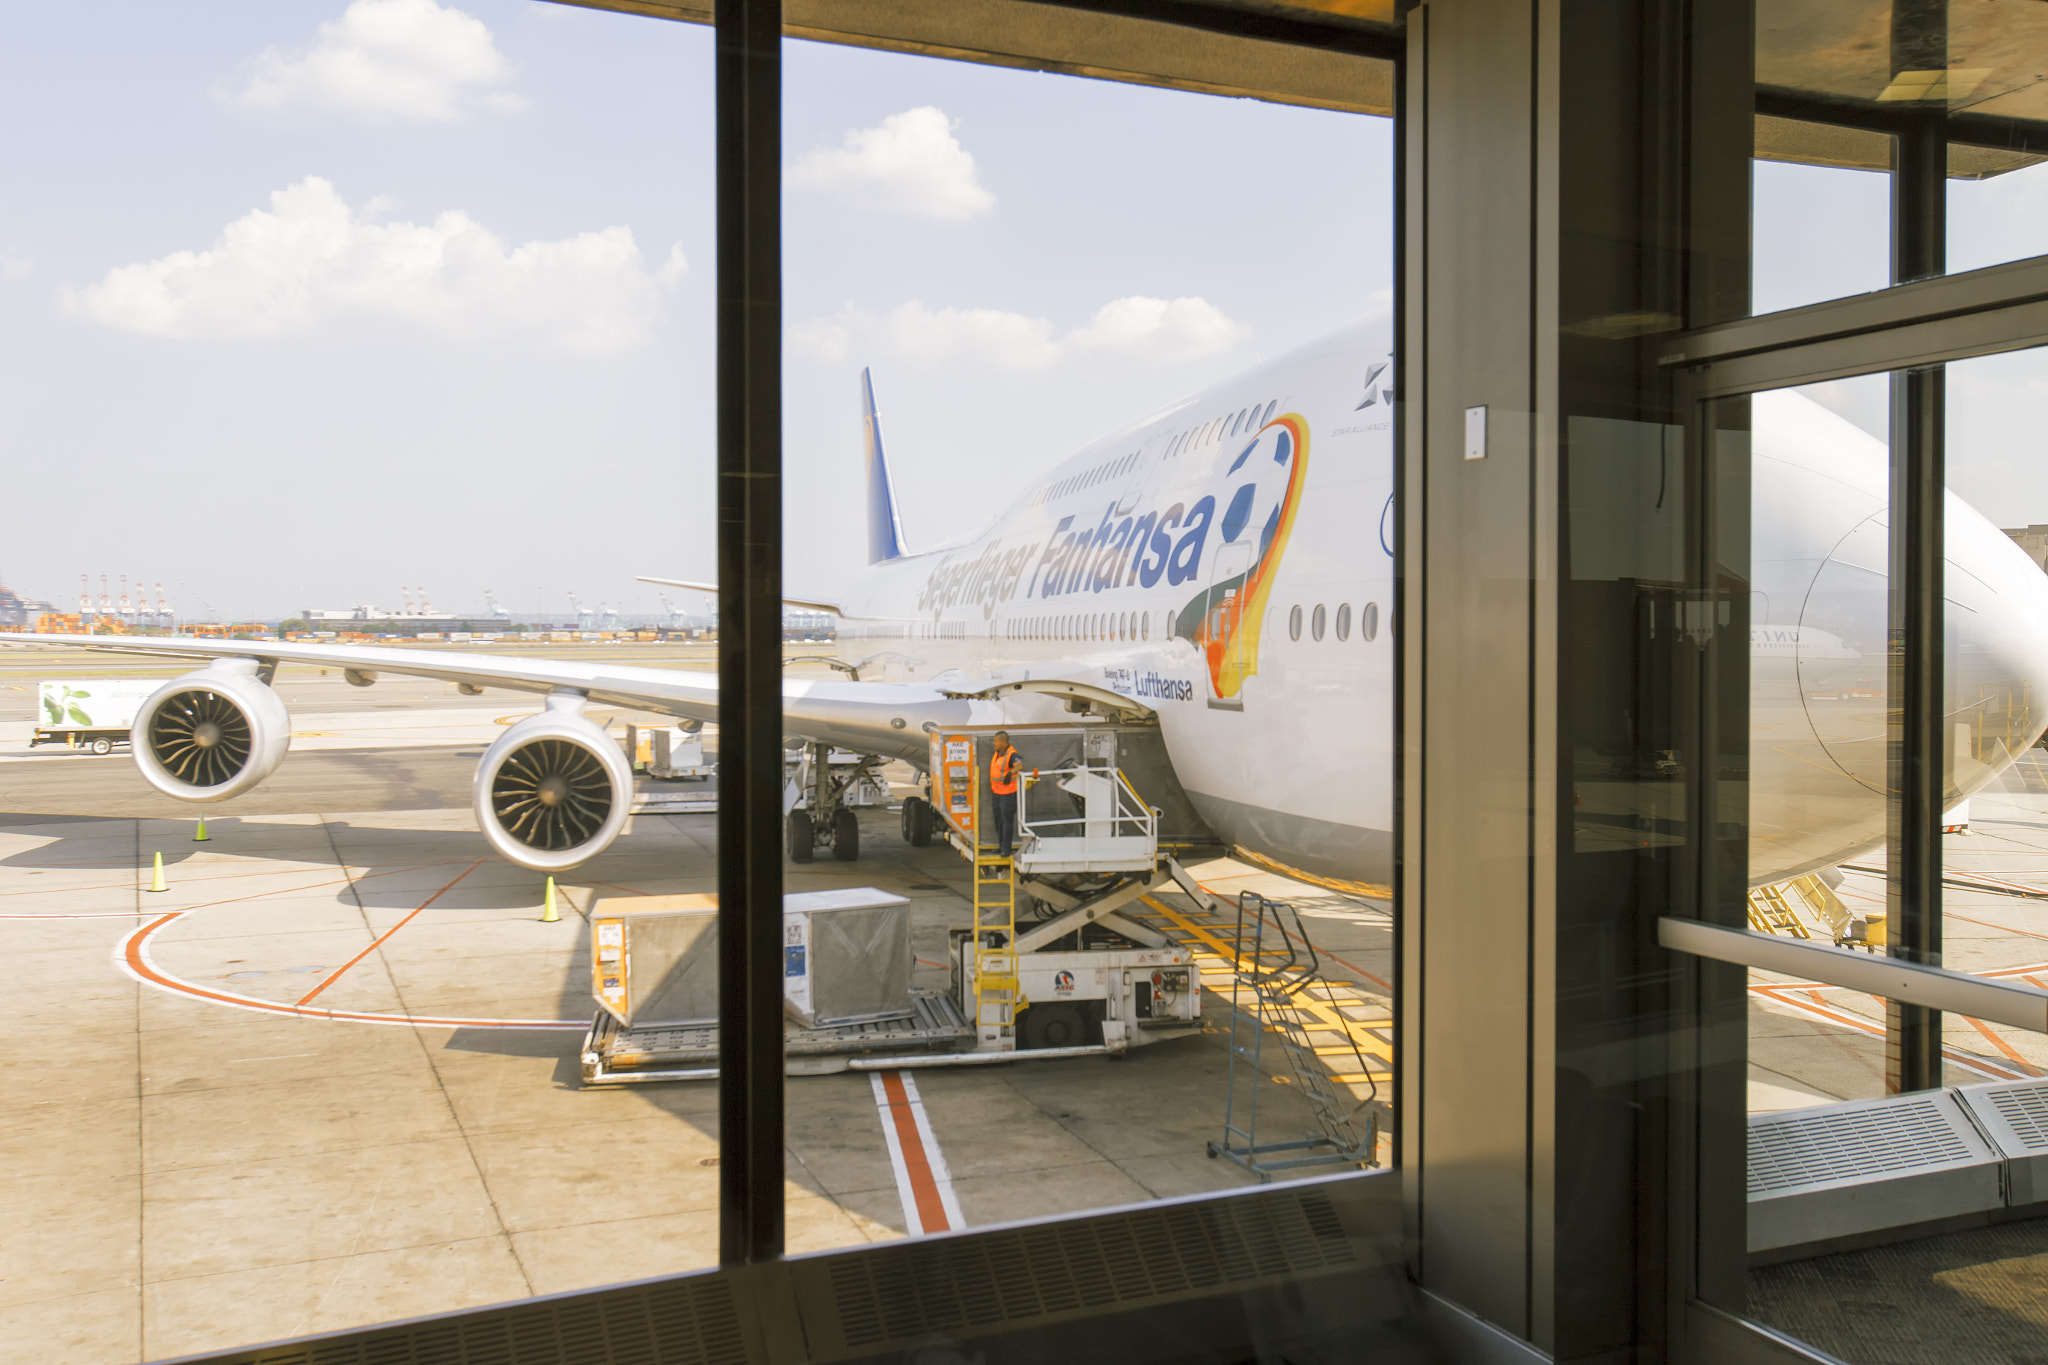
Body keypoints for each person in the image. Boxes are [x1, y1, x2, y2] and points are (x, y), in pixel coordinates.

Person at [989, 731, 1021, 858]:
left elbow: (1019, 766)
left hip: (1008, 794)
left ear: (1003, 742)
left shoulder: (1011, 754)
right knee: (998, 820)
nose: (994, 743)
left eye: (996, 741)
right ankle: (1001, 845)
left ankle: (1006, 848)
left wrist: (1010, 773)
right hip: (997, 792)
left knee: (1007, 820)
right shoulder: (998, 753)